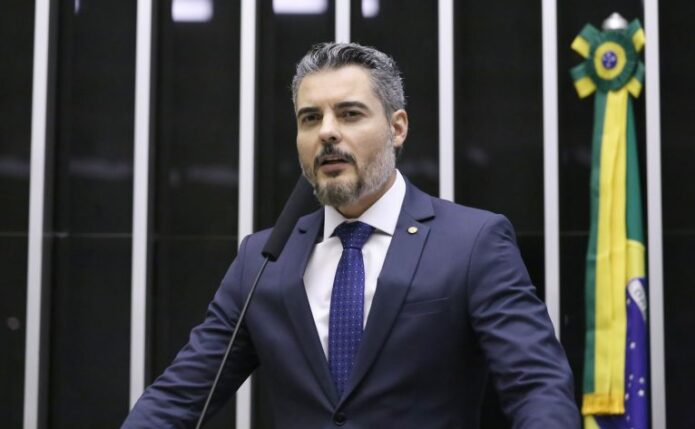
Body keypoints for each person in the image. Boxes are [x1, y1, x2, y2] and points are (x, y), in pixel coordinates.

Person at [123, 42, 580, 428]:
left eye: (349, 114)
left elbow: (536, 387)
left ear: (397, 128)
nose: (327, 132)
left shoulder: (472, 241)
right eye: (310, 118)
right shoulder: (263, 259)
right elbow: (179, 397)